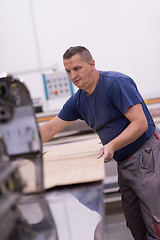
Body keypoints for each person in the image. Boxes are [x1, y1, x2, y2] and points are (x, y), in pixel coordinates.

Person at [40, 46, 160, 239]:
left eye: (77, 68)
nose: (73, 75)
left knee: (155, 222)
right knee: (135, 222)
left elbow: (141, 124)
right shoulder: (79, 100)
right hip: (124, 160)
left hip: (146, 156)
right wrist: (18, 146)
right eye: (68, 71)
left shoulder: (116, 83)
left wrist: (111, 145)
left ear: (92, 64)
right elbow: (48, 129)